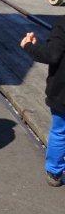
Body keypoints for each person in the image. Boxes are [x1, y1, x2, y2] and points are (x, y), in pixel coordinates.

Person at [21, 19, 65, 186]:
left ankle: (54, 173)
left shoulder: (62, 24)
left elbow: (52, 55)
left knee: (60, 132)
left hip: (62, 93)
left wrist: (29, 46)